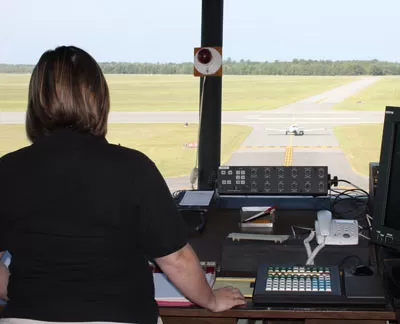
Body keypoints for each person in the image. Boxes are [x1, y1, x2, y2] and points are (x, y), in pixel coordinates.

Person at [0, 46, 246, 324]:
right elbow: (176, 259)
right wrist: (211, 300)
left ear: (37, 101)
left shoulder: (6, 169)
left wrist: (18, 292)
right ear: (98, 99)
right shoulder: (133, 168)